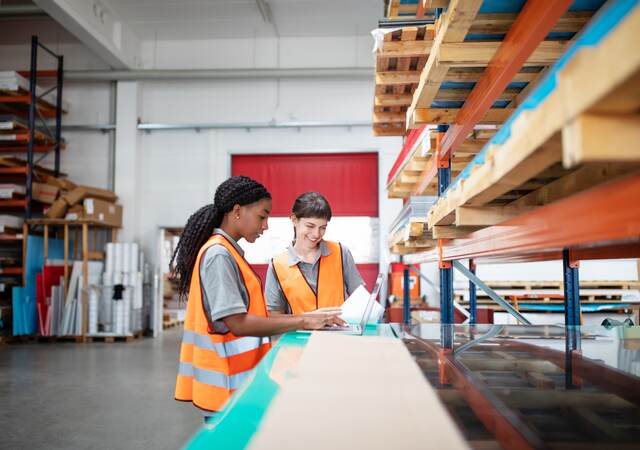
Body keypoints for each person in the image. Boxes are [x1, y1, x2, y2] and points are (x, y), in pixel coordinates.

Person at [172, 176, 344, 418]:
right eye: (262, 216)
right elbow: (237, 323)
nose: (265, 226)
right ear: (237, 211)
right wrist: (305, 320)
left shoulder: (227, 252)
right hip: (226, 387)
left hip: (234, 384)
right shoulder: (219, 255)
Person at [265, 192, 364, 315]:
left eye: (322, 227)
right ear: (294, 220)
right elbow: (274, 317)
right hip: (297, 334)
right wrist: (306, 320)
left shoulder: (341, 252)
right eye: (310, 226)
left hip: (340, 333)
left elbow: (361, 299)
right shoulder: (277, 265)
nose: (317, 234)